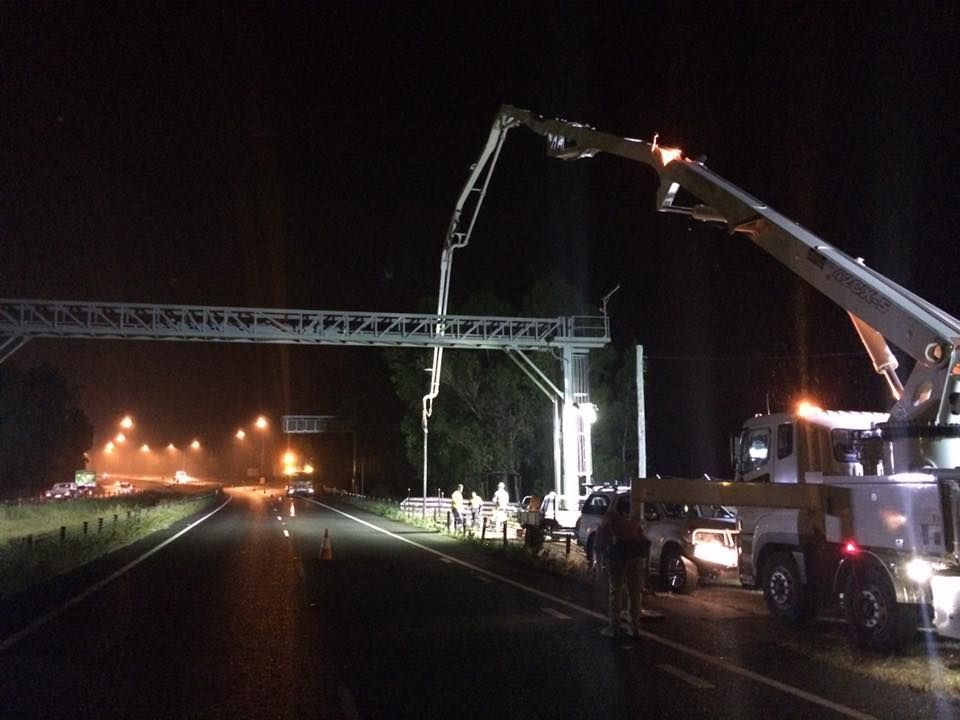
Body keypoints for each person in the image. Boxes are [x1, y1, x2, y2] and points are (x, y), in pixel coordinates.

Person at [595, 494, 650, 639]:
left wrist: (599, 566)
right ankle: (635, 627)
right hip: (635, 558)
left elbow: (600, 541)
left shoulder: (610, 518)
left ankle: (615, 627)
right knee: (634, 592)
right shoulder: (634, 520)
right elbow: (644, 541)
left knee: (616, 591)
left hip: (617, 558)